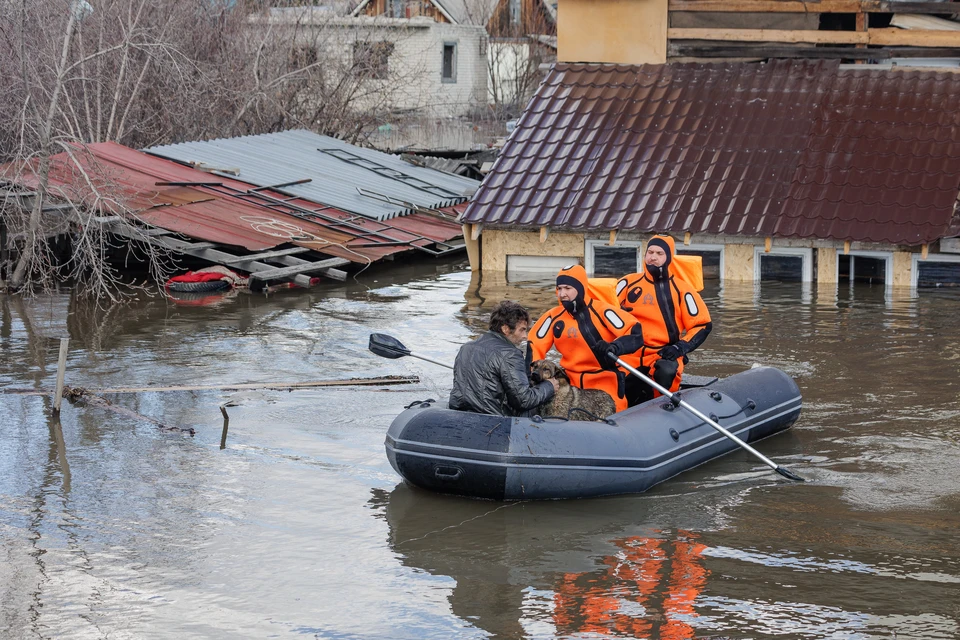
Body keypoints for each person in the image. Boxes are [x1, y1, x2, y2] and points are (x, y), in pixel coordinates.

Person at [528, 264, 644, 413]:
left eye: (567, 288)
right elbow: (533, 346)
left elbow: (635, 333)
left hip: (605, 384)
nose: (562, 294)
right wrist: (536, 377)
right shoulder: (553, 317)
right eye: (559, 289)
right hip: (570, 387)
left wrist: (614, 346)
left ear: (581, 287)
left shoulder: (603, 311)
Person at [616, 235, 712, 406]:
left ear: (668, 257)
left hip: (663, 353)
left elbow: (702, 325)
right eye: (650, 252)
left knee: (666, 371)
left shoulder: (682, 289)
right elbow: (601, 311)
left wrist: (679, 347)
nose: (653, 257)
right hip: (630, 353)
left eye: (659, 253)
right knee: (615, 379)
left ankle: (661, 408)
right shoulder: (627, 283)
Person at [449, 300, 559, 416]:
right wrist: (549, 386)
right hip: (494, 420)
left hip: (459, 416)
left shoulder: (466, 348)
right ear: (505, 329)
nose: (525, 336)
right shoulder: (510, 354)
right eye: (521, 330)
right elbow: (524, 401)